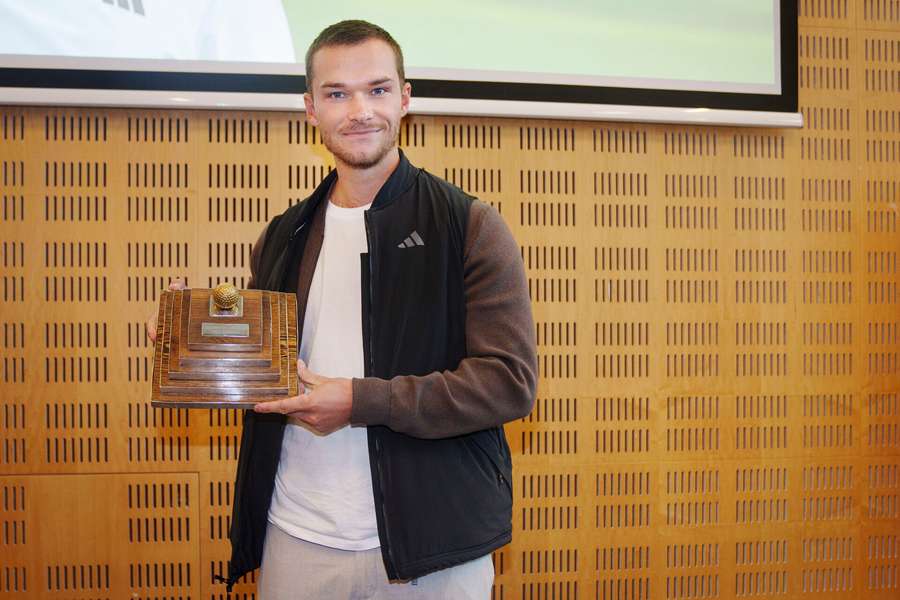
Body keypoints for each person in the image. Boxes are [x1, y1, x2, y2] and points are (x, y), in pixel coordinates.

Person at [150, 19, 536, 599]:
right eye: (337, 94)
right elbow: (267, 368)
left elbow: (508, 384)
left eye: (378, 89)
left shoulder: (470, 225)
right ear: (311, 109)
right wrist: (193, 337)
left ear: (405, 99)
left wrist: (360, 401)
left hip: (434, 546)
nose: (360, 110)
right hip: (298, 533)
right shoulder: (283, 233)